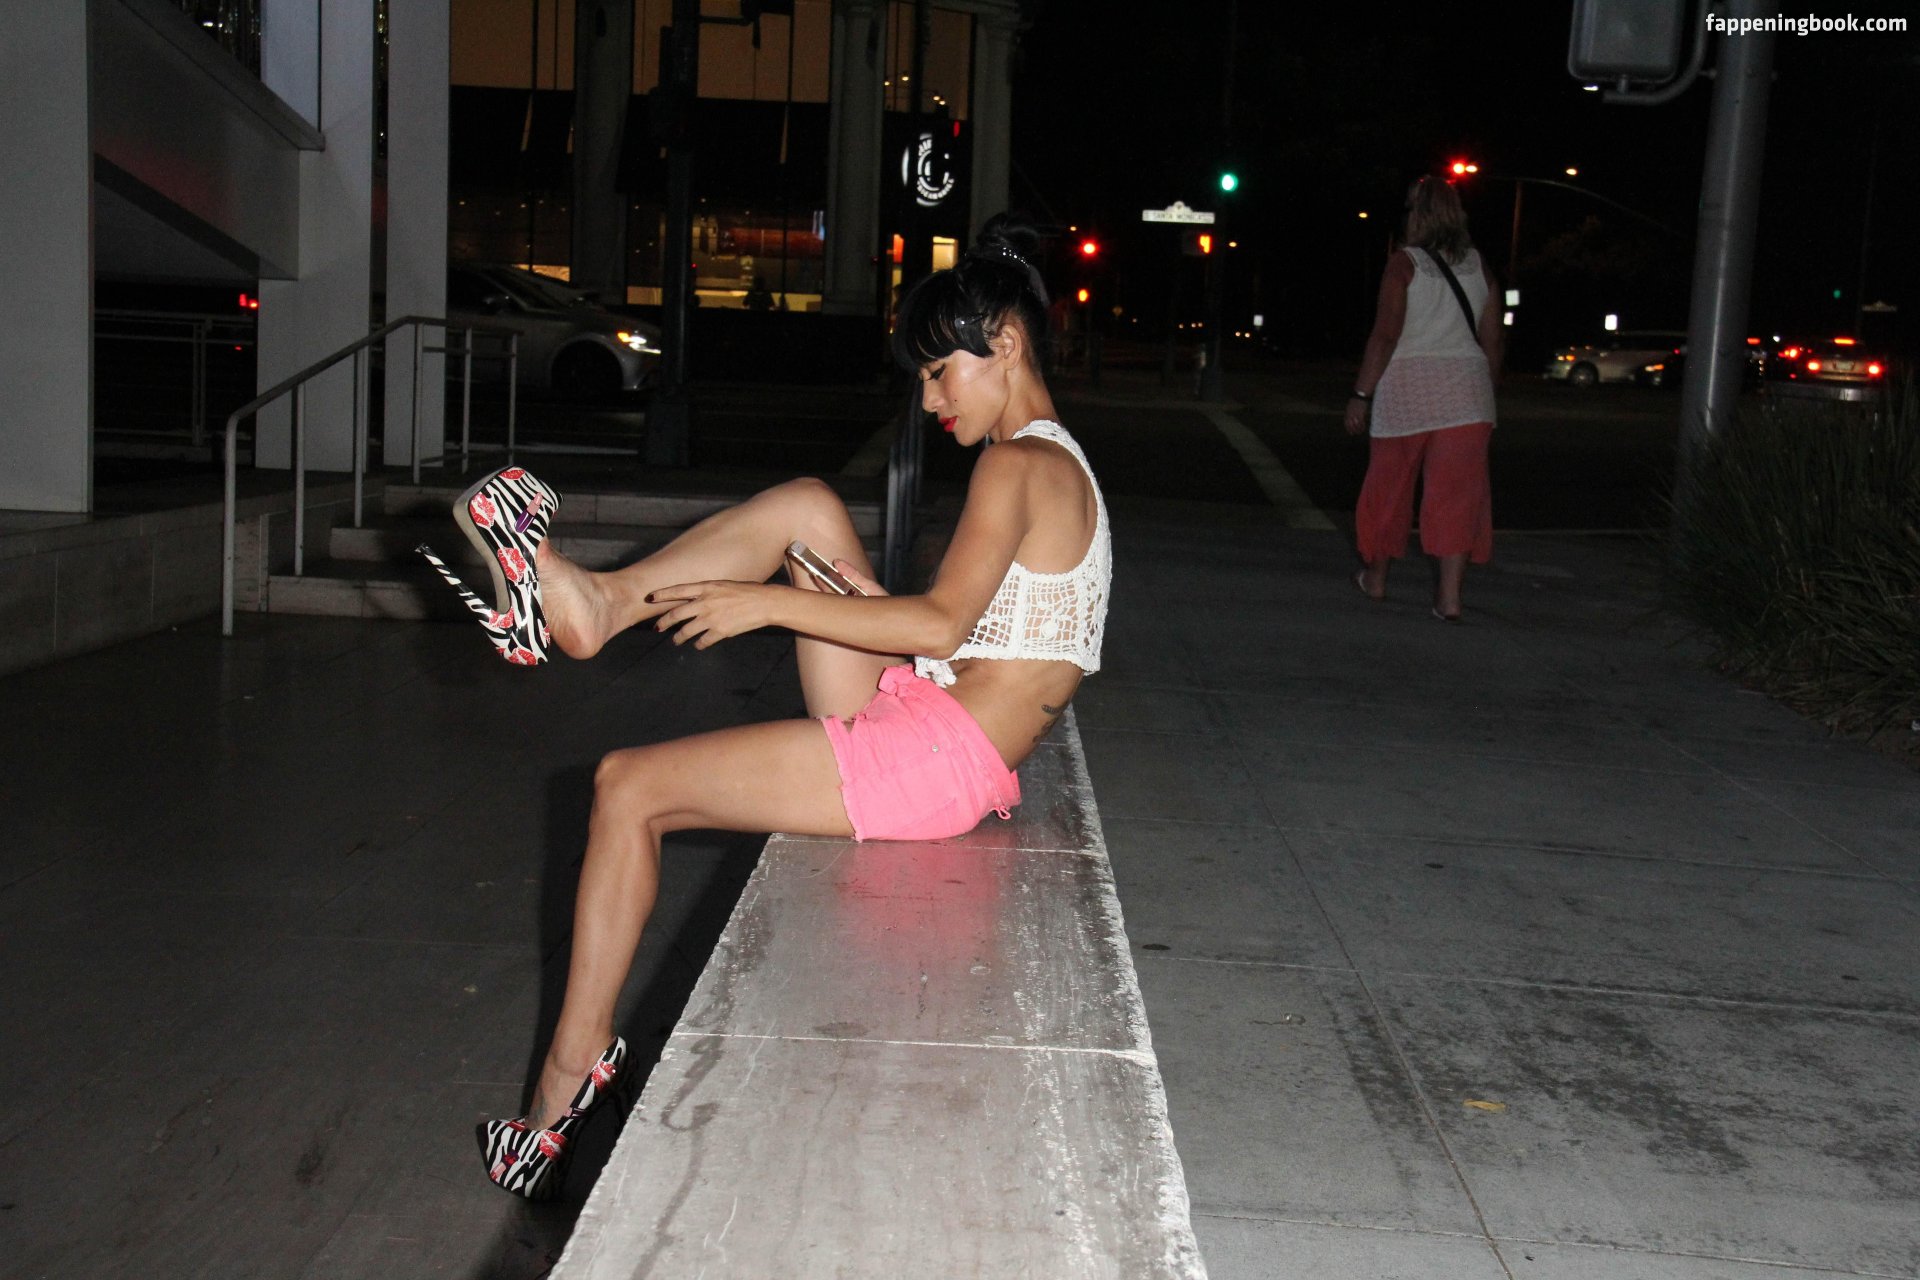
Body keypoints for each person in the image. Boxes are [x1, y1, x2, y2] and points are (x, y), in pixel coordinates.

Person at [419, 214, 1111, 1200]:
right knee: (807, 510)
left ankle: (562, 1089)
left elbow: (945, 622)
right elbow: (983, 642)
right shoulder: (1055, 460)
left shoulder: (1017, 465)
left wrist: (769, 605)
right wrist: (841, 599)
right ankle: (596, 606)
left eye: (937, 372)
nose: (928, 398)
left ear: (1003, 342)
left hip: (932, 759)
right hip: (941, 727)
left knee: (627, 787)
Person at [1343, 175, 1502, 621]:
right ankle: (1449, 599)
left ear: (1419, 214)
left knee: (1389, 489)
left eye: (1411, 207)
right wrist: (1485, 395)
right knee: (1457, 497)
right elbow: (1493, 342)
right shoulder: (1480, 266)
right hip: (1468, 397)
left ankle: (1376, 578)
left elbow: (1385, 336)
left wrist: (1360, 394)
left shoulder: (1404, 264)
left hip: (1408, 393)